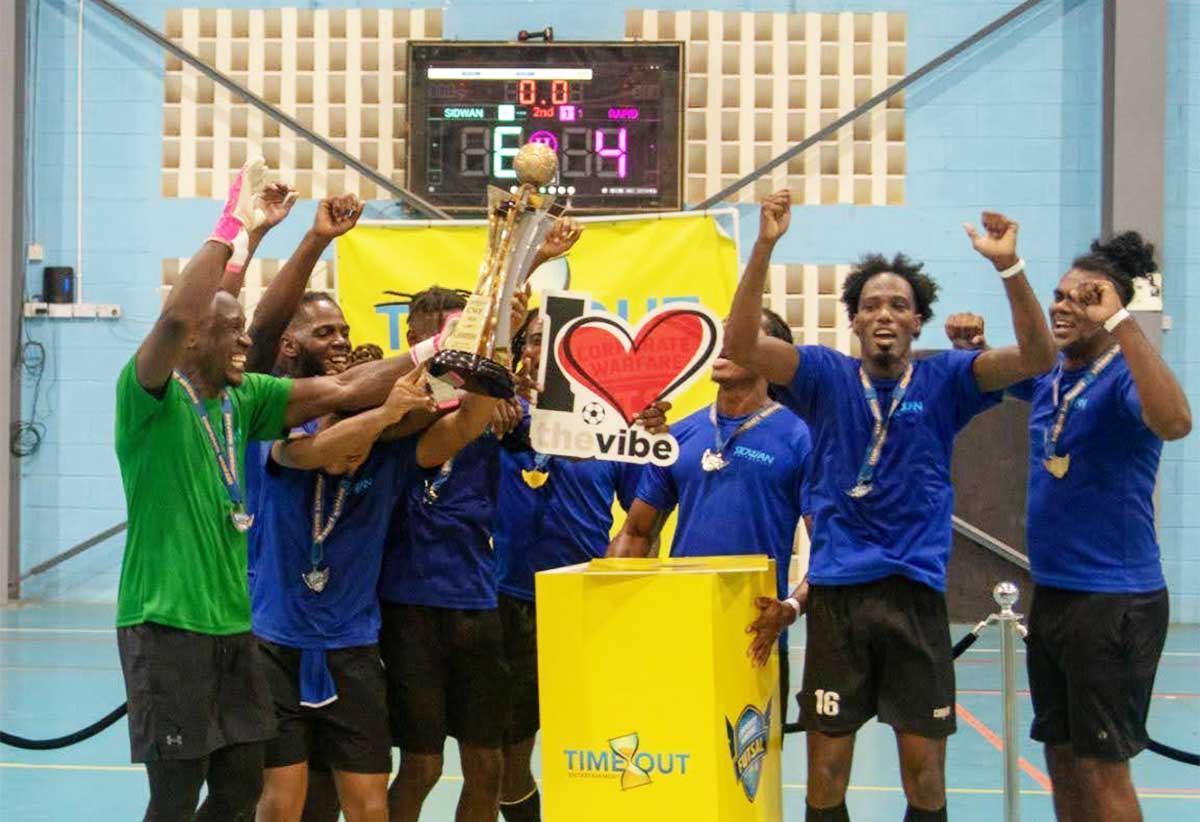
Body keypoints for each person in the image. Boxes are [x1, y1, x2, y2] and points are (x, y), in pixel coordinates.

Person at [114, 159, 432, 822]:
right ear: (198, 337)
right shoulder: (149, 398)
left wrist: (438, 349)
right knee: (174, 796)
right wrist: (235, 229)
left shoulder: (244, 402)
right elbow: (180, 317)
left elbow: (344, 389)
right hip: (166, 626)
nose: (246, 342)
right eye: (231, 332)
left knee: (235, 790)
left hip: (235, 630)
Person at [723, 192, 1056, 822]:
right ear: (853, 320)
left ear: (916, 322)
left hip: (915, 597)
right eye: (871, 304)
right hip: (839, 596)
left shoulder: (947, 380)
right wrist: (765, 245)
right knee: (824, 775)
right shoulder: (822, 376)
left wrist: (1009, 268)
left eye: (898, 305)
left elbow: (1038, 360)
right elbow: (741, 342)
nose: (884, 314)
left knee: (924, 778)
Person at [950, 234, 1190, 822]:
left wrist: (1127, 322)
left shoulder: (1124, 375)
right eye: (1060, 295)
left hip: (1115, 599)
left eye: (1083, 298)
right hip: (1055, 595)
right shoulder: (1054, 375)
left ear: (1113, 307)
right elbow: (1007, 373)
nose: (1063, 306)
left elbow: (1176, 421)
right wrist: (975, 347)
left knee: (1104, 769)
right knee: (1061, 758)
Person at [607, 307, 812, 718]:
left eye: (742, 333)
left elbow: (831, 547)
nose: (725, 342)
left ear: (772, 355)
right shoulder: (679, 434)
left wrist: (791, 608)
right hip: (681, 630)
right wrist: (606, 608)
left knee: (748, 775)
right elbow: (636, 533)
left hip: (757, 632)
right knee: (681, 763)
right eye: (722, 334)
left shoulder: (800, 436)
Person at [492, 308, 647, 822]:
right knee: (508, 756)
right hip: (509, 602)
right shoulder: (496, 415)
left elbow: (644, 515)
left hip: (586, 608)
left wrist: (619, 571)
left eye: (563, 342)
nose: (546, 350)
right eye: (537, 339)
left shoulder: (612, 426)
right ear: (523, 351)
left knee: (600, 750)